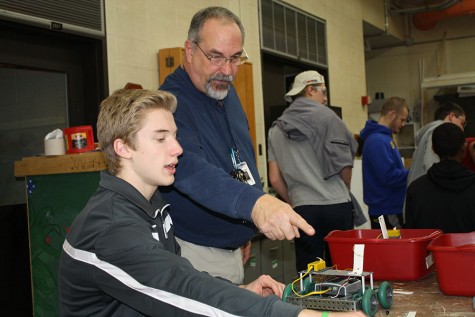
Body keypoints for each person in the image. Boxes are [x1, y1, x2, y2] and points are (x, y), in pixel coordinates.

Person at [59, 88, 365, 317]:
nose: (178, 148)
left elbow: (181, 273)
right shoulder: (111, 226)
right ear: (122, 147)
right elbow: (176, 287)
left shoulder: (152, 203)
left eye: (175, 136)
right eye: (161, 137)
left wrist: (238, 290)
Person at [159, 6, 314, 283]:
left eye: (235, 58)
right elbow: (190, 170)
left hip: (232, 245)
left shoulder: (222, 91)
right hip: (196, 252)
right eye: (216, 57)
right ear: (190, 50)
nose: (227, 70)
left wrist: (244, 222)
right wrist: (255, 205)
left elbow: (237, 159)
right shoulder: (170, 105)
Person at [267, 70, 358, 271]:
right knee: (343, 269)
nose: (325, 99)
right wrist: (344, 190)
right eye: (323, 92)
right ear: (310, 90)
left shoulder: (275, 129)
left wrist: (295, 203)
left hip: (303, 208)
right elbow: (345, 166)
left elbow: (274, 178)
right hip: (336, 205)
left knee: (309, 273)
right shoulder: (329, 119)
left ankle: (309, 304)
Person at [405, 123, 475, 233]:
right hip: (469, 250)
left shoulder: (415, 190)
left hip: (429, 250)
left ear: (433, 148)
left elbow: (412, 235)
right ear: (463, 149)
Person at [359, 97, 409, 229]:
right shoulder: (378, 141)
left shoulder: (385, 138)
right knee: (393, 248)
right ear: (392, 114)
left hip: (390, 207)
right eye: (402, 119)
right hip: (386, 210)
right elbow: (389, 176)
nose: (403, 124)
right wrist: (413, 172)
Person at [406, 102, 466, 186]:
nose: (462, 129)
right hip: (425, 193)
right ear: (452, 117)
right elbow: (430, 165)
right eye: (462, 123)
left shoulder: (431, 131)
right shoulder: (438, 131)